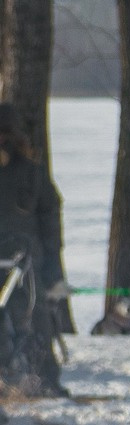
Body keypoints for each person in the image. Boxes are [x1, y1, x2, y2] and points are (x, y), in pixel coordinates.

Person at [0, 103, 64, 398]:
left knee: (35, 320)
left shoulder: (31, 173)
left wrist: (52, 263)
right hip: (15, 259)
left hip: (25, 263)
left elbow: (49, 215)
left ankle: (43, 381)